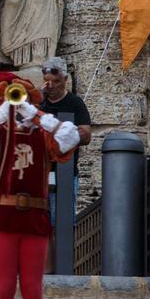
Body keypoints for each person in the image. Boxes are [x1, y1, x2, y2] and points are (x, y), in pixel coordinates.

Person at [0, 72, 80, 299]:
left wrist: (38, 116)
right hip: (2, 217)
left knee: (33, 289)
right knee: (4, 288)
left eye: (22, 100)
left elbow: (70, 138)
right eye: (14, 99)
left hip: (34, 218)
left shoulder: (42, 132)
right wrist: (1, 114)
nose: (18, 105)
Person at [37, 57, 92, 224]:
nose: (51, 86)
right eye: (47, 81)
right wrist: (36, 100)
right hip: (39, 173)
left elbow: (86, 135)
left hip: (64, 171)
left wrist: (60, 131)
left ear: (66, 80)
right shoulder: (40, 102)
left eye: (56, 81)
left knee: (61, 225)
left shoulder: (75, 103)